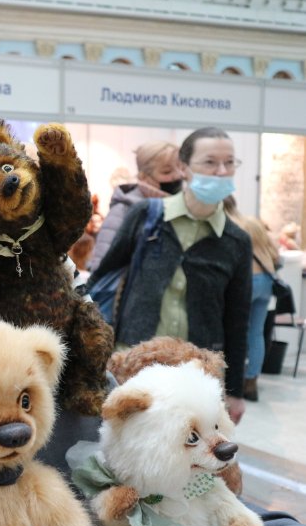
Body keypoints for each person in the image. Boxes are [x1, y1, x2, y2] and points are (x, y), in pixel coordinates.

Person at [88, 126, 252, 423]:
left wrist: (235, 391)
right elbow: (102, 278)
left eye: (229, 163)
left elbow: (237, 322)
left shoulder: (236, 240)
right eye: (210, 162)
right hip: (134, 364)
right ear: (183, 167)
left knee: (187, 446)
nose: (221, 171)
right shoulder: (146, 216)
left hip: (197, 374)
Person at [89, 140, 183, 272]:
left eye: (181, 168)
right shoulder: (123, 210)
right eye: (167, 172)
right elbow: (100, 266)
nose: (177, 176)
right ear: (144, 177)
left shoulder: (182, 208)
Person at [225, 200, 280, 402]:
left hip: (249, 280)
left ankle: (232, 381)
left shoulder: (231, 224)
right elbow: (275, 253)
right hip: (267, 280)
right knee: (257, 332)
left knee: (235, 330)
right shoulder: (253, 222)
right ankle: (251, 382)